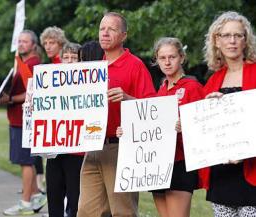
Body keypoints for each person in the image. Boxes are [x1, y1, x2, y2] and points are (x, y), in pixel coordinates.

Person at [76, 12, 156, 217]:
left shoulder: (135, 65)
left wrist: (127, 98)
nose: (105, 33)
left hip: (120, 147)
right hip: (92, 145)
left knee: (123, 211)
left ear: (123, 36)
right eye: (102, 28)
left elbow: (153, 108)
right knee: (87, 211)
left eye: (111, 29)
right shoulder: (92, 66)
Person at [116, 37, 204, 217]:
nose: (167, 62)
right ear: (156, 60)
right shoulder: (161, 89)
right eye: (162, 58)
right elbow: (150, 122)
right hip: (157, 165)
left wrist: (186, 125)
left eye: (172, 57)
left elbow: (204, 125)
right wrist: (128, 131)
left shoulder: (192, 87)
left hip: (181, 162)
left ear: (182, 57)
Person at [201, 11, 256, 217]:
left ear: (245, 40)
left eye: (238, 35)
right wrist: (205, 111)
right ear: (217, 40)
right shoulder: (213, 81)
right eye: (226, 35)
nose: (232, 41)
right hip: (221, 175)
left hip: (251, 172)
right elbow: (203, 130)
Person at [0, 30, 47, 216]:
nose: (21, 44)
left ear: (34, 45)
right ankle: (35, 195)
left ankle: (26, 202)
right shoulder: (23, 63)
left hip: (24, 120)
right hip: (18, 119)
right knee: (26, 162)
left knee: (26, 162)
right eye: (19, 41)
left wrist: (9, 99)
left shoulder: (33, 64)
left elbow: (33, 92)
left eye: (25, 41)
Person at [44, 42, 83, 217]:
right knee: (54, 194)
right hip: (54, 148)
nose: (69, 61)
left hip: (77, 151)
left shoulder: (88, 85)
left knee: (75, 197)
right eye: (65, 58)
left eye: (73, 58)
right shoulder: (49, 81)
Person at [40, 26, 69, 217]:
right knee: (54, 182)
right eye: (45, 44)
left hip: (68, 132)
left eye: (52, 43)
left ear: (60, 43)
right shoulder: (48, 66)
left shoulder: (65, 64)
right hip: (54, 134)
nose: (48, 47)